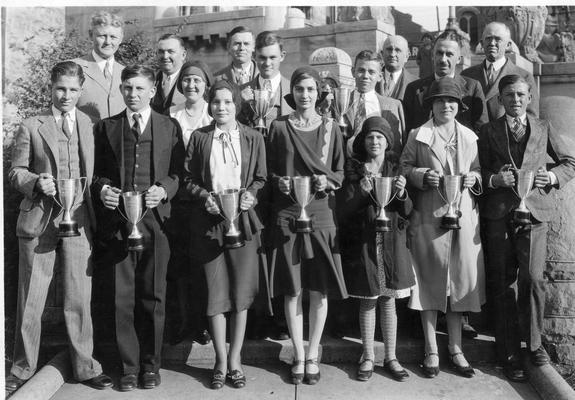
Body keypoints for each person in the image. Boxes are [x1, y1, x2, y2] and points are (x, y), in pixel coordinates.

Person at [6, 61, 112, 395]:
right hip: (40, 221)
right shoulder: (31, 126)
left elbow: (92, 173)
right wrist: (37, 181)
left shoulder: (87, 124)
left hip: (78, 220)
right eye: (60, 89)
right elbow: (15, 172)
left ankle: (85, 366)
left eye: (72, 90)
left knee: (79, 297)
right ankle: (22, 368)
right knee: (32, 299)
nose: (66, 95)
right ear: (50, 88)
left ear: (81, 91)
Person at [92, 65, 185, 391]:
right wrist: (104, 190)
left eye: (140, 89)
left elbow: (179, 173)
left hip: (155, 224)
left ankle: (151, 366)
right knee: (122, 299)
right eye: (127, 88)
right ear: (121, 89)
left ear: (152, 90)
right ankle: (128, 368)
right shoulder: (106, 127)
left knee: (153, 298)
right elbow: (97, 174)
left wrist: (165, 189)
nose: (133, 94)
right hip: (119, 225)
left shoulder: (169, 126)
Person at [477, 74, 575, 382]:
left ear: (529, 98)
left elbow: (570, 163)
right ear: (501, 99)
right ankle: (507, 352)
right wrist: (495, 179)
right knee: (504, 283)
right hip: (499, 214)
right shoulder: (487, 130)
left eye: (521, 95)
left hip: (534, 213)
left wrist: (553, 177)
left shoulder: (543, 128)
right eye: (509, 95)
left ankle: (534, 346)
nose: (515, 100)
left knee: (533, 279)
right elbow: (478, 169)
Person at [185, 79, 268, 390]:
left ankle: (236, 360)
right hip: (210, 224)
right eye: (216, 102)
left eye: (228, 102)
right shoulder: (200, 137)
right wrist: (203, 195)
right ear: (210, 105)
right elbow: (188, 177)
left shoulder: (252, 137)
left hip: (243, 223)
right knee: (215, 293)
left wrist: (253, 196)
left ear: (237, 105)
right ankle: (220, 359)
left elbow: (261, 177)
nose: (221, 107)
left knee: (241, 294)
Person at [400, 77, 485, 379]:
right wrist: (422, 175)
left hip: (462, 218)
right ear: (431, 105)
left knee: (458, 284)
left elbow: (476, 170)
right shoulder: (418, 135)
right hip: (428, 218)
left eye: (451, 101)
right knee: (428, 282)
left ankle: (456, 348)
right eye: (440, 101)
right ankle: (431, 348)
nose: (446, 105)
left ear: (459, 107)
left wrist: (474, 178)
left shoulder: (470, 137)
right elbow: (404, 168)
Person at [267, 66, 348, 385]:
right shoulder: (278, 127)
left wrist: (326, 180)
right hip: (288, 212)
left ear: (319, 93)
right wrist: (280, 183)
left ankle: (313, 353)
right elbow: (268, 171)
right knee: (292, 288)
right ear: (293, 93)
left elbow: (341, 172)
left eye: (311, 89)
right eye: (299, 89)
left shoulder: (331, 128)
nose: (305, 95)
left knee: (319, 287)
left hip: (321, 212)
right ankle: (297, 355)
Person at [339, 116, 415, 382]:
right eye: (370, 137)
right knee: (368, 300)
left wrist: (403, 193)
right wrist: (360, 191)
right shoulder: (354, 168)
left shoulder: (396, 167)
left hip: (392, 241)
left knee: (389, 301)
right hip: (365, 242)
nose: (374, 142)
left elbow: (407, 211)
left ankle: (391, 356)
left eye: (380, 137)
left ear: (387, 142)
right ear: (363, 141)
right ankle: (368, 355)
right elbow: (344, 209)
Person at [167, 60, 214, 346]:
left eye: (197, 80)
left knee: (203, 266)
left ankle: (203, 324)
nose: (191, 85)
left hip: (206, 200)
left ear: (206, 84)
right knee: (178, 265)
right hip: (178, 202)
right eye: (186, 80)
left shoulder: (215, 112)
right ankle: (180, 322)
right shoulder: (171, 115)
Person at [403, 30, 488, 135]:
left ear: (458, 59)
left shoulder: (472, 88)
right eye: (439, 53)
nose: (443, 59)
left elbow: (481, 129)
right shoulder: (414, 89)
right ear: (433, 56)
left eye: (449, 54)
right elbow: (407, 129)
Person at [462, 22, 538, 121]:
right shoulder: (466, 75)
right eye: (488, 38)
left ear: (508, 45)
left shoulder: (524, 76)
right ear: (481, 44)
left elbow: (531, 118)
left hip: (506, 135)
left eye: (498, 39)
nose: (492, 43)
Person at [344, 50, 405, 156]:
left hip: (381, 168)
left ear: (380, 76)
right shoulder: (340, 102)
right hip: (346, 166)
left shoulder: (393, 106)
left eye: (371, 72)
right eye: (361, 70)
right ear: (353, 72)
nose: (365, 76)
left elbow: (397, 146)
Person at [73, 11, 125, 120]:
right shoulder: (73, 67)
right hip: (84, 136)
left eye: (113, 37)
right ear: (91, 35)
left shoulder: (126, 72)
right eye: (102, 36)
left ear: (121, 39)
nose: (108, 42)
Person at [238, 31, 293, 131]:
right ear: (254, 56)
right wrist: (240, 104)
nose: (267, 63)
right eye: (262, 57)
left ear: (282, 56)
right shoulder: (240, 91)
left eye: (272, 57)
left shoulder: (294, 90)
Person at [151, 34, 187, 114]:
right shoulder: (150, 80)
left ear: (183, 55)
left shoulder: (193, 82)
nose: (165, 56)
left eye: (171, 52)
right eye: (161, 52)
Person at [377, 35, 417, 102]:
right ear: (382, 54)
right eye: (389, 49)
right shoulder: (370, 78)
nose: (392, 54)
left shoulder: (416, 84)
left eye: (398, 50)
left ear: (407, 56)